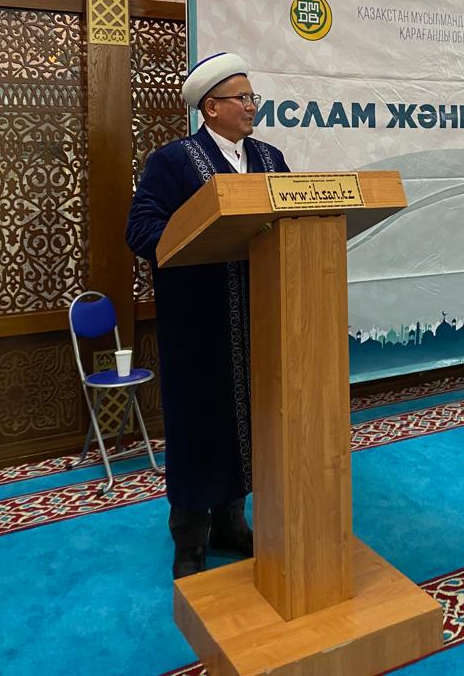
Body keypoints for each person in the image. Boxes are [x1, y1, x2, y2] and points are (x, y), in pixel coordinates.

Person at [126, 52, 289, 578]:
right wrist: (195, 235)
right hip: (197, 324)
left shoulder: (271, 158)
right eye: (242, 98)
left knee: (245, 422)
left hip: (257, 319)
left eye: (252, 97)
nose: (252, 106)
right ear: (211, 107)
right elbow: (141, 230)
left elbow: (291, 221)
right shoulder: (172, 162)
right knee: (198, 424)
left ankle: (230, 522)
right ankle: (190, 538)